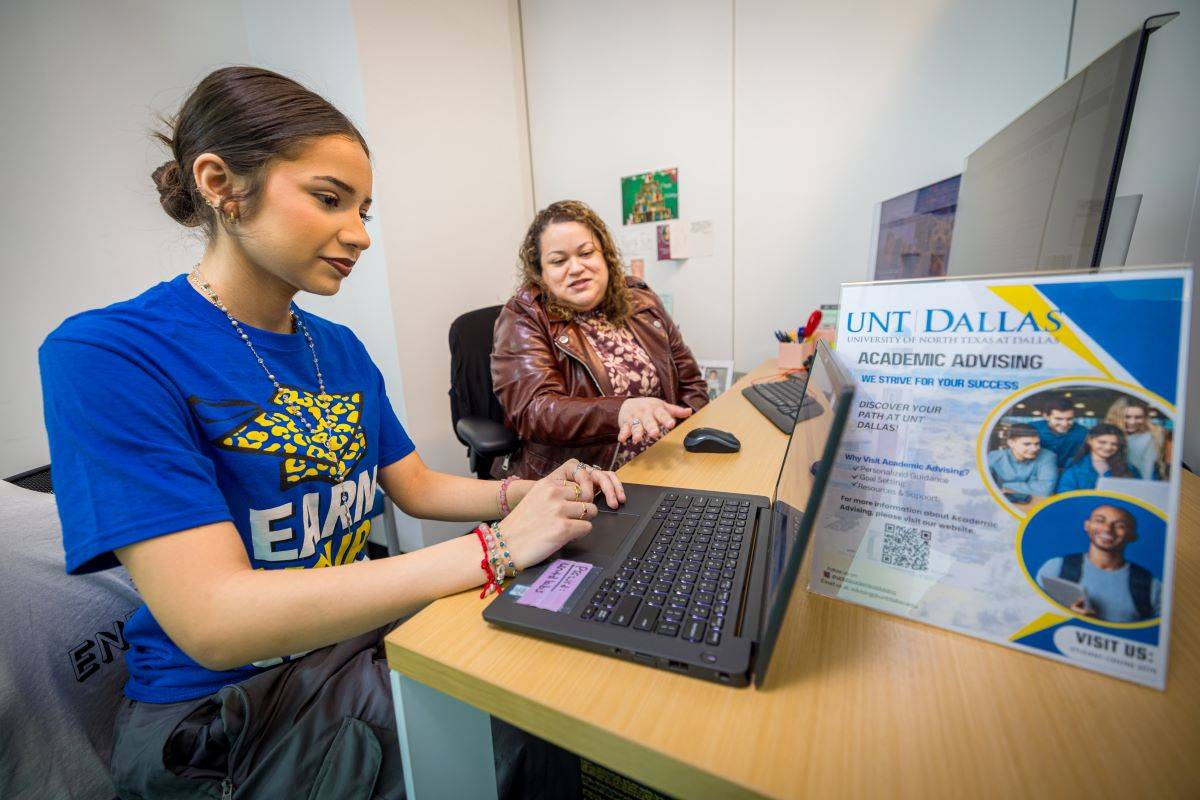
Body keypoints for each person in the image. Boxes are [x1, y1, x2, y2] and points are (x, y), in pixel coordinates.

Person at [38, 66, 623, 799]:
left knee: (546, 672)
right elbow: (215, 618)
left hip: (350, 641)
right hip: (227, 707)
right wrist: (498, 550)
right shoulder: (108, 353)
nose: (359, 235)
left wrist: (536, 494)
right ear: (220, 182)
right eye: (328, 200)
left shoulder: (336, 347)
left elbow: (413, 487)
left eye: (364, 210)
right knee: (499, 730)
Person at [491, 200, 709, 479]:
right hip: (585, 480)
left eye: (586, 253)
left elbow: (691, 383)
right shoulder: (525, 317)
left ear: (605, 256)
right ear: (541, 274)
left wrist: (690, 443)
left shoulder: (640, 299)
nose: (576, 268)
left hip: (665, 463)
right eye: (559, 261)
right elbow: (535, 411)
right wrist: (618, 411)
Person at [1036, 503, 1161, 622]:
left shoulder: (1152, 587)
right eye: (1100, 520)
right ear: (1087, 526)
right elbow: (1031, 612)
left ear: (1132, 536)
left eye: (1120, 526)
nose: (1107, 529)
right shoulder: (1055, 568)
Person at [1055, 423, 1141, 493]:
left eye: (1114, 444)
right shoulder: (1073, 467)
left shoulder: (1130, 469)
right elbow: (1065, 498)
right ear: (1089, 440)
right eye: (1102, 442)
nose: (1108, 447)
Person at [987, 423, 1057, 499]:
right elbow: (984, 487)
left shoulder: (1048, 456)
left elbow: (1045, 490)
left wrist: (1004, 486)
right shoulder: (994, 457)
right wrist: (1031, 485)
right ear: (1011, 443)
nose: (1034, 448)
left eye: (1037, 443)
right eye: (1027, 444)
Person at [1105, 397, 1165, 480]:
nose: (1132, 422)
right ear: (1116, 416)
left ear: (1145, 418)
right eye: (1127, 417)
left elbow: (1148, 469)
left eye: (1138, 417)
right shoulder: (1106, 436)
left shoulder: (1149, 437)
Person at [1031, 396, 1088, 467]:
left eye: (1069, 419)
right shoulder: (1032, 429)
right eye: (1058, 419)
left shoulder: (1083, 433)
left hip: (1068, 472)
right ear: (1046, 416)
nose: (1064, 424)